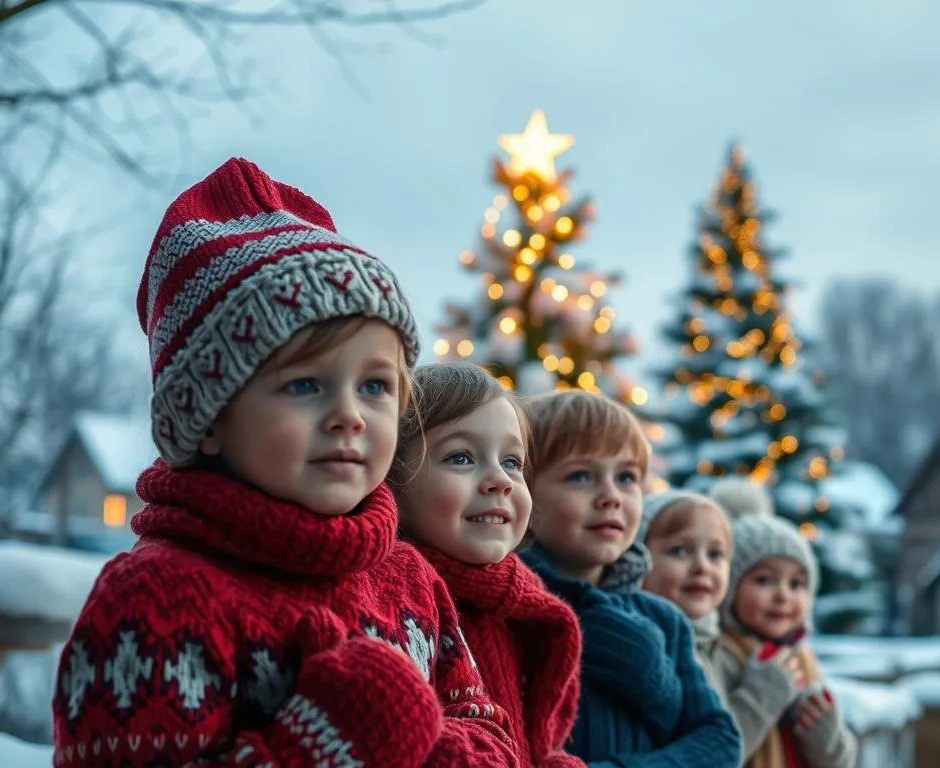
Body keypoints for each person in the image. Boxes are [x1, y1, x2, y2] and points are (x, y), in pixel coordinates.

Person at [52, 158, 509, 767]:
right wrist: (319, 745)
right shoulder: (159, 602)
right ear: (209, 418)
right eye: (304, 386)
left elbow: (494, 741)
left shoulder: (409, 580)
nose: (349, 415)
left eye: (375, 387)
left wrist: (415, 740)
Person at [518, 390, 741, 767]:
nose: (611, 496)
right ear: (524, 490)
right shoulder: (512, 612)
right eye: (580, 476)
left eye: (626, 477)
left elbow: (720, 741)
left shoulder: (665, 620)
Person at [391, 361, 584, 767]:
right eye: (461, 457)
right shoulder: (396, 606)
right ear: (393, 478)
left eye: (512, 462)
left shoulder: (525, 610)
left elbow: (537, 745)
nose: (501, 479)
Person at [711, 478, 857, 768]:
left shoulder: (801, 659)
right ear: (730, 589)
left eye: (796, 584)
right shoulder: (720, 654)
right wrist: (761, 695)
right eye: (763, 580)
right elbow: (714, 754)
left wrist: (826, 738)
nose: (782, 595)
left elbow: (841, 763)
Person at [638, 487, 734, 695]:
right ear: (638, 559)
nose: (702, 567)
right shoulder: (647, 649)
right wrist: (763, 693)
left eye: (715, 554)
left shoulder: (715, 641)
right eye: (679, 551)